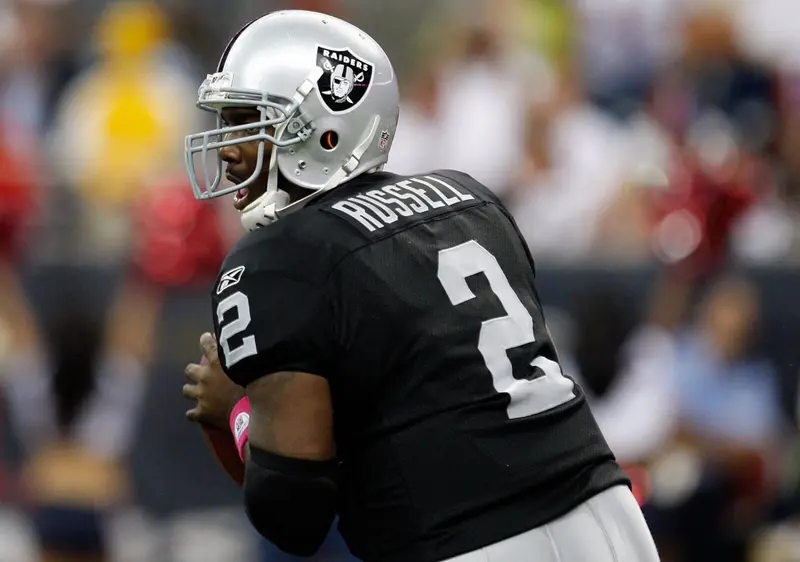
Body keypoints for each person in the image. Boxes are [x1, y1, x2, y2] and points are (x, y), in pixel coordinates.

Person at [181, 10, 660, 562]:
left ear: (324, 130)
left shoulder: (274, 258)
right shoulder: (470, 200)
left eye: (249, 121)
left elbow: (293, 512)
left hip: (470, 539)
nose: (228, 148)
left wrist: (236, 411)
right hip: (609, 513)